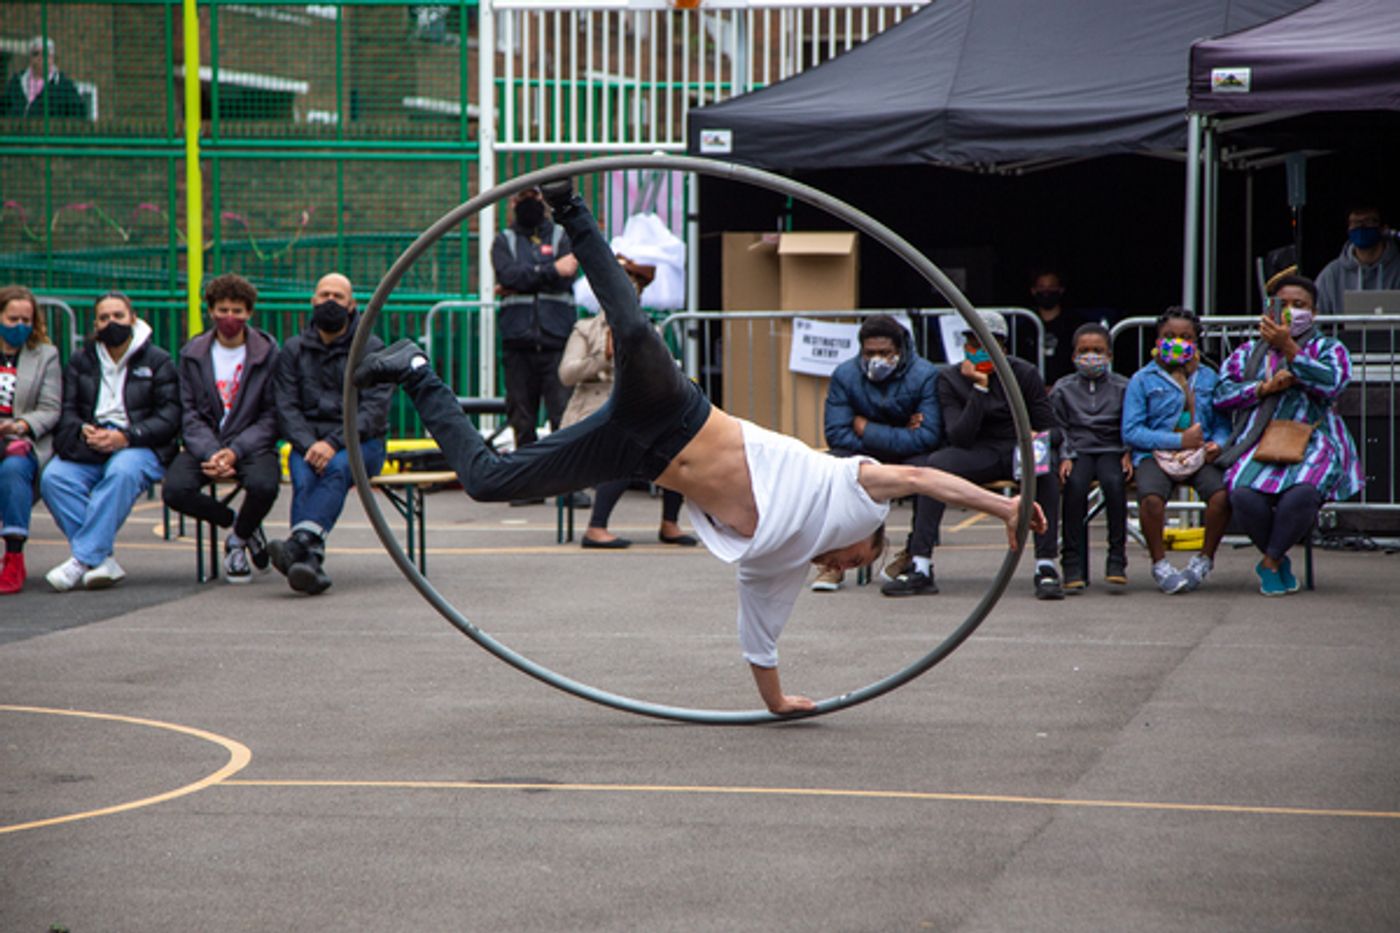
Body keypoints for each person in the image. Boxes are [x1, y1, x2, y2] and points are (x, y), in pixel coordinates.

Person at [354, 179, 1046, 715]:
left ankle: (415, 369)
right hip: (676, 413)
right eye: (861, 559)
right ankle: (573, 210)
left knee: (488, 481)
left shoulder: (779, 563)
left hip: (634, 454)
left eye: (851, 568)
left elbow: (760, 642)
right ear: (865, 536)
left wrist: (778, 703)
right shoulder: (848, 491)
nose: (847, 566)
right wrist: (1004, 507)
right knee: (632, 330)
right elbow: (925, 479)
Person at [880, 309, 1064, 601]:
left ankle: (1046, 566)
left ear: (1003, 347)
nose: (980, 350)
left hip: (1018, 450)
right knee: (934, 468)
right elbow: (959, 436)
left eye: (988, 344)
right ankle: (921, 566)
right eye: (974, 343)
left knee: (1046, 471)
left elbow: (1053, 429)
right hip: (978, 451)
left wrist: (1037, 438)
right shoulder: (951, 379)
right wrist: (979, 387)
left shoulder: (1024, 373)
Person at [1214, 275, 1363, 595]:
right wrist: (1262, 388)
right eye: (1284, 305)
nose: (1292, 311)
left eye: (1300, 305)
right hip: (1258, 439)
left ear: (1314, 313)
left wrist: (1291, 350)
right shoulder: (1247, 352)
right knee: (1242, 494)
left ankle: (1269, 561)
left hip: (1315, 438)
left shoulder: (1329, 348)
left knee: (1303, 493)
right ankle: (1277, 559)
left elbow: (1334, 384)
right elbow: (1221, 394)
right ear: (1269, 310)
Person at [40, 292, 180, 591]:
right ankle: (101, 560)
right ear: (95, 324)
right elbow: (68, 410)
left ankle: (81, 560)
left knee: (121, 472)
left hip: (139, 445)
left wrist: (126, 437)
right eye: (104, 318)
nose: (111, 323)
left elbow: (169, 417)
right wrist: (83, 431)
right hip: (91, 443)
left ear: (133, 318)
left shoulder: (158, 360)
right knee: (54, 478)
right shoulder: (81, 360)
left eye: (118, 316)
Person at [559, 256, 697, 550]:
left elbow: (661, 377)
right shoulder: (585, 329)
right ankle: (596, 528)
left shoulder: (649, 332)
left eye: (632, 294)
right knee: (626, 448)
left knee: (677, 447)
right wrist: (602, 358)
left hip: (634, 411)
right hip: (591, 413)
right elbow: (567, 375)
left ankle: (670, 523)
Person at [268, 272, 391, 595]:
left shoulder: (371, 349)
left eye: (338, 296)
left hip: (362, 444)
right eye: (324, 295)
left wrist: (333, 443)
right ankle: (309, 562)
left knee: (336, 468)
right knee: (304, 476)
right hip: (308, 444)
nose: (330, 301)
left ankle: (299, 544)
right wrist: (311, 444)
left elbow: (374, 411)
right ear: (313, 300)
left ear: (352, 305)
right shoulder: (293, 350)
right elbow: (286, 407)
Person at [162, 273, 281, 584]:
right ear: (211, 311)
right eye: (223, 310)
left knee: (265, 486)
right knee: (175, 490)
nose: (229, 317)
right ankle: (242, 525)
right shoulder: (192, 354)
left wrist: (236, 451)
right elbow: (189, 413)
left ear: (249, 313)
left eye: (237, 311)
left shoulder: (267, 353)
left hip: (251, 446)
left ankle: (237, 542)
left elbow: (272, 415)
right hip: (206, 445)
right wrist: (213, 452)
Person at [816, 313, 942, 591]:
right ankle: (832, 561)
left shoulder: (925, 375)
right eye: (870, 353)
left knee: (932, 470)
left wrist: (866, 429)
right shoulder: (845, 375)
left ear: (900, 350)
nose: (877, 359)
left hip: (905, 455)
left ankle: (916, 556)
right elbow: (837, 434)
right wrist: (901, 432)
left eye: (885, 353)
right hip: (864, 454)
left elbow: (928, 436)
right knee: (829, 466)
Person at [1121, 307, 1232, 595]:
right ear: (1157, 341)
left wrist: (1217, 444)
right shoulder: (1142, 379)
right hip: (1155, 455)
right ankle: (1160, 565)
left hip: (1200, 455)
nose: (1178, 342)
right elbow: (1131, 431)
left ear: (1196, 342)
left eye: (1186, 337)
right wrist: (1178, 441)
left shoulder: (1209, 378)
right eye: (1169, 336)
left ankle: (1204, 560)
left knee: (1221, 496)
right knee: (1151, 500)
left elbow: (1223, 424)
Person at [491, 186, 587, 508]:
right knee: (522, 419)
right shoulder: (503, 241)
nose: (528, 203)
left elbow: (567, 274)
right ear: (512, 203)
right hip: (518, 342)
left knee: (563, 417)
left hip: (556, 340)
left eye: (533, 196)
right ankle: (529, 487)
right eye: (521, 198)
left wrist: (523, 279)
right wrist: (549, 270)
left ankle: (567, 486)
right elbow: (508, 273)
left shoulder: (561, 236)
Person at [1050, 322, 1132, 592]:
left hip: (1111, 449)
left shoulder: (1124, 387)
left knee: (1114, 484)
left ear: (1109, 355)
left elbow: (1131, 422)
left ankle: (1117, 559)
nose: (1091, 356)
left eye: (1098, 351)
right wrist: (1065, 455)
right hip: (1078, 450)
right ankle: (1072, 564)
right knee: (1074, 486)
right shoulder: (1062, 388)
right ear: (1074, 355)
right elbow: (1058, 425)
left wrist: (1128, 451)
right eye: (1084, 351)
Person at [0, 285, 62, 594]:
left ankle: (14, 557)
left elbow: (50, 408)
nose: (20, 326)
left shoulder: (46, 356)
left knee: (14, 470)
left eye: (26, 320)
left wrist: (21, 425)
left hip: (21, 438)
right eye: (12, 319)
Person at [1314, 206, 1400, 314]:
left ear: (1383, 228)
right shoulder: (1331, 275)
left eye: (1368, 221)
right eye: (1355, 223)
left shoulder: (1397, 269)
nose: (1361, 227)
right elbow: (1315, 316)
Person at [1013, 269, 1088, 386]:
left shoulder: (1075, 324)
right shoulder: (1025, 325)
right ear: (1033, 290)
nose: (1046, 291)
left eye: (1051, 287)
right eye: (1041, 287)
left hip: (1068, 388)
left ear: (1061, 289)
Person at [3, 37, 87, 119]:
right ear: (30, 58)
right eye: (36, 54)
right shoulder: (16, 82)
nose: (40, 58)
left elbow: (79, 114)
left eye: (45, 54)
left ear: (52, 58)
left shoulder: (64, 86)